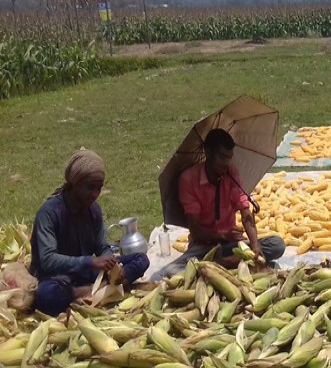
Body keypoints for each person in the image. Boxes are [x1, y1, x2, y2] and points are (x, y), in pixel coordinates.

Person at [31, 150, 149, 316]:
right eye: (90, 187)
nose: (95, 194)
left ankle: (107, 284)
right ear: (75, 184)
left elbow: (103, 247)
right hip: (58, 278)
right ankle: (91, 291)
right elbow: (48, 260)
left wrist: (112, 265)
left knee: (141, 259)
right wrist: (90, 262)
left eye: (99, 188)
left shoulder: (94, 210)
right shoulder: (49, 213)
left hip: (87, 274)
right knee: (47, 296)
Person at [167, 128, 285, 273]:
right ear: (208, 153)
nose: (226, 163)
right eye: (222, 157)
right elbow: (196, 230)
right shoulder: (188, 179)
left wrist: (254, 245)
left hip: (230, 244)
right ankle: (228, 263)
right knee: (171, 270)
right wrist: (221, 234)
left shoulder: (231, 174)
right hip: (204, 246)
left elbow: (245, 212)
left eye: (229, 158)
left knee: (277, 245)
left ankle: (220, 264)